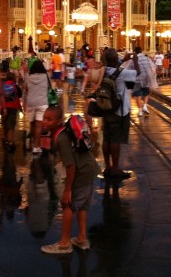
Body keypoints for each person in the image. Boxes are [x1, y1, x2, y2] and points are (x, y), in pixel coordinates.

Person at [40, 105, 97, 254]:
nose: (45, 122)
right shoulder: (63, 132)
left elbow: (70, 166)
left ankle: (64, 243)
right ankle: (82, 238)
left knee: (68, 205)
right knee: (82, 205)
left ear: (59, 121)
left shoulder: (61, 138)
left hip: (81, 171)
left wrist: (67, 190)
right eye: (44, 118)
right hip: (90, 167)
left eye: (49, 119)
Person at [91, 48, 139, 178]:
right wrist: (134, 59)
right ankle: (116, 168)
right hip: (119, 109)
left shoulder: (104, 71)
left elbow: (113, 67)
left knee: (106, 137)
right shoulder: (122, 73)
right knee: (115, 139)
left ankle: (108, 166)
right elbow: (137, 73)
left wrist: (123, 60)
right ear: (116, 59)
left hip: (105, 107)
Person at [23, 58, 50, 155]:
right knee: (39, 125)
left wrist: (24, 104)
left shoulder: (28, 77)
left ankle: (33, 142)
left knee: (32, 124)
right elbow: (48, 87)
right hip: (42, 103)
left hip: (31, 103)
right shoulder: (45, 76)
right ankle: (37, 147)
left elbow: (25, 90)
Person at [129, 47, 154, 117]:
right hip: (146, 78)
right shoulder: (146, 58)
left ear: (135, 52)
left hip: (137, 79)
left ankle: (140, 111)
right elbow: (152, 67)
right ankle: (145, 105)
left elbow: (129, 68)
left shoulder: (133, 60)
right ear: (141, 51)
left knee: (138, 95)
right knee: (146, 93)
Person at [1, 71, 22, 151]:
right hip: (13, 107)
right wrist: (20, 108)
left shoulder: (3, 85)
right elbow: (19, 96)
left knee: (5, 124)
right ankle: (10, 142)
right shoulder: (15, 86)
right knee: (11, 126)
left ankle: (5, 139)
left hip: (4, 108)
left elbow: (0, 96)